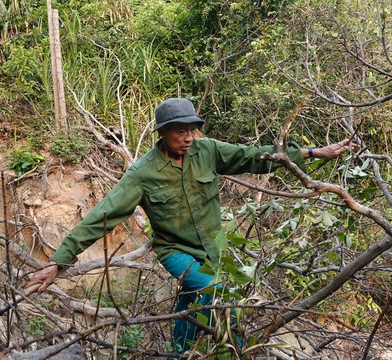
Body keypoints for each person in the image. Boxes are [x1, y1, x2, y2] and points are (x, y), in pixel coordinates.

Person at [27, 98, 356, 354]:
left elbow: (256, 156)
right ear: (163, 133)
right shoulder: (143, 173)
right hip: (176, 251)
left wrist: (313, 151)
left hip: (215, 247)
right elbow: (102, 215)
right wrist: (59, 261)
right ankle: (237, 352)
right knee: (216, 292)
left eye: (192, 129)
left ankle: (180, 353)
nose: (188, 137)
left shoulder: (207, 149)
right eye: (180, 131)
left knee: (200, 299)